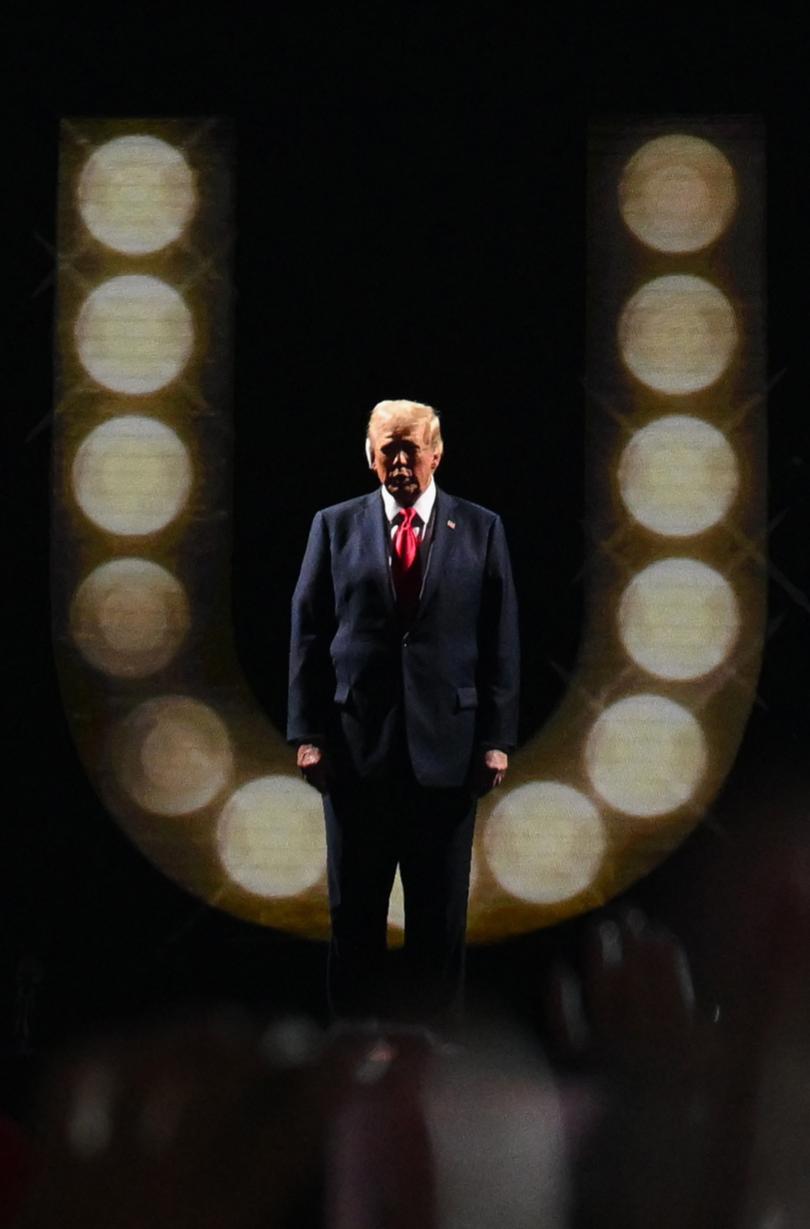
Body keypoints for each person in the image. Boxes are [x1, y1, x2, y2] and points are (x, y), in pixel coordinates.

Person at [288, 399, 519, 1028]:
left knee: (439, 924)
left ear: (436, 453)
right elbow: (309, 634)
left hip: (448, 755)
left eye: (409, 447)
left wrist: (496, 739)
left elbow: (500, 641)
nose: (398, 459)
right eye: (386, 447)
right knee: (354, 920)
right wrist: (306, 734)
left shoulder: (480, 529)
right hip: (355, 753)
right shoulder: (333, 528)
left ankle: (436, 1064)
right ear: (369, 455)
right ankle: (351, 1060)